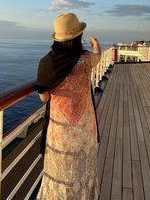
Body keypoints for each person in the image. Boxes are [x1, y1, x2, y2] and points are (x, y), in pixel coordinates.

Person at [36, 13, 101, 199]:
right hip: (86, 128)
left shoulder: (47, 63)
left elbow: (44, 98)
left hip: (61, 132)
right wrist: (96, 45)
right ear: (78, 36)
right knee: (83, 171)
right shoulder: (86, 59)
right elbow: (97, 56)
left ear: (57, 39)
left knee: (60, 174)